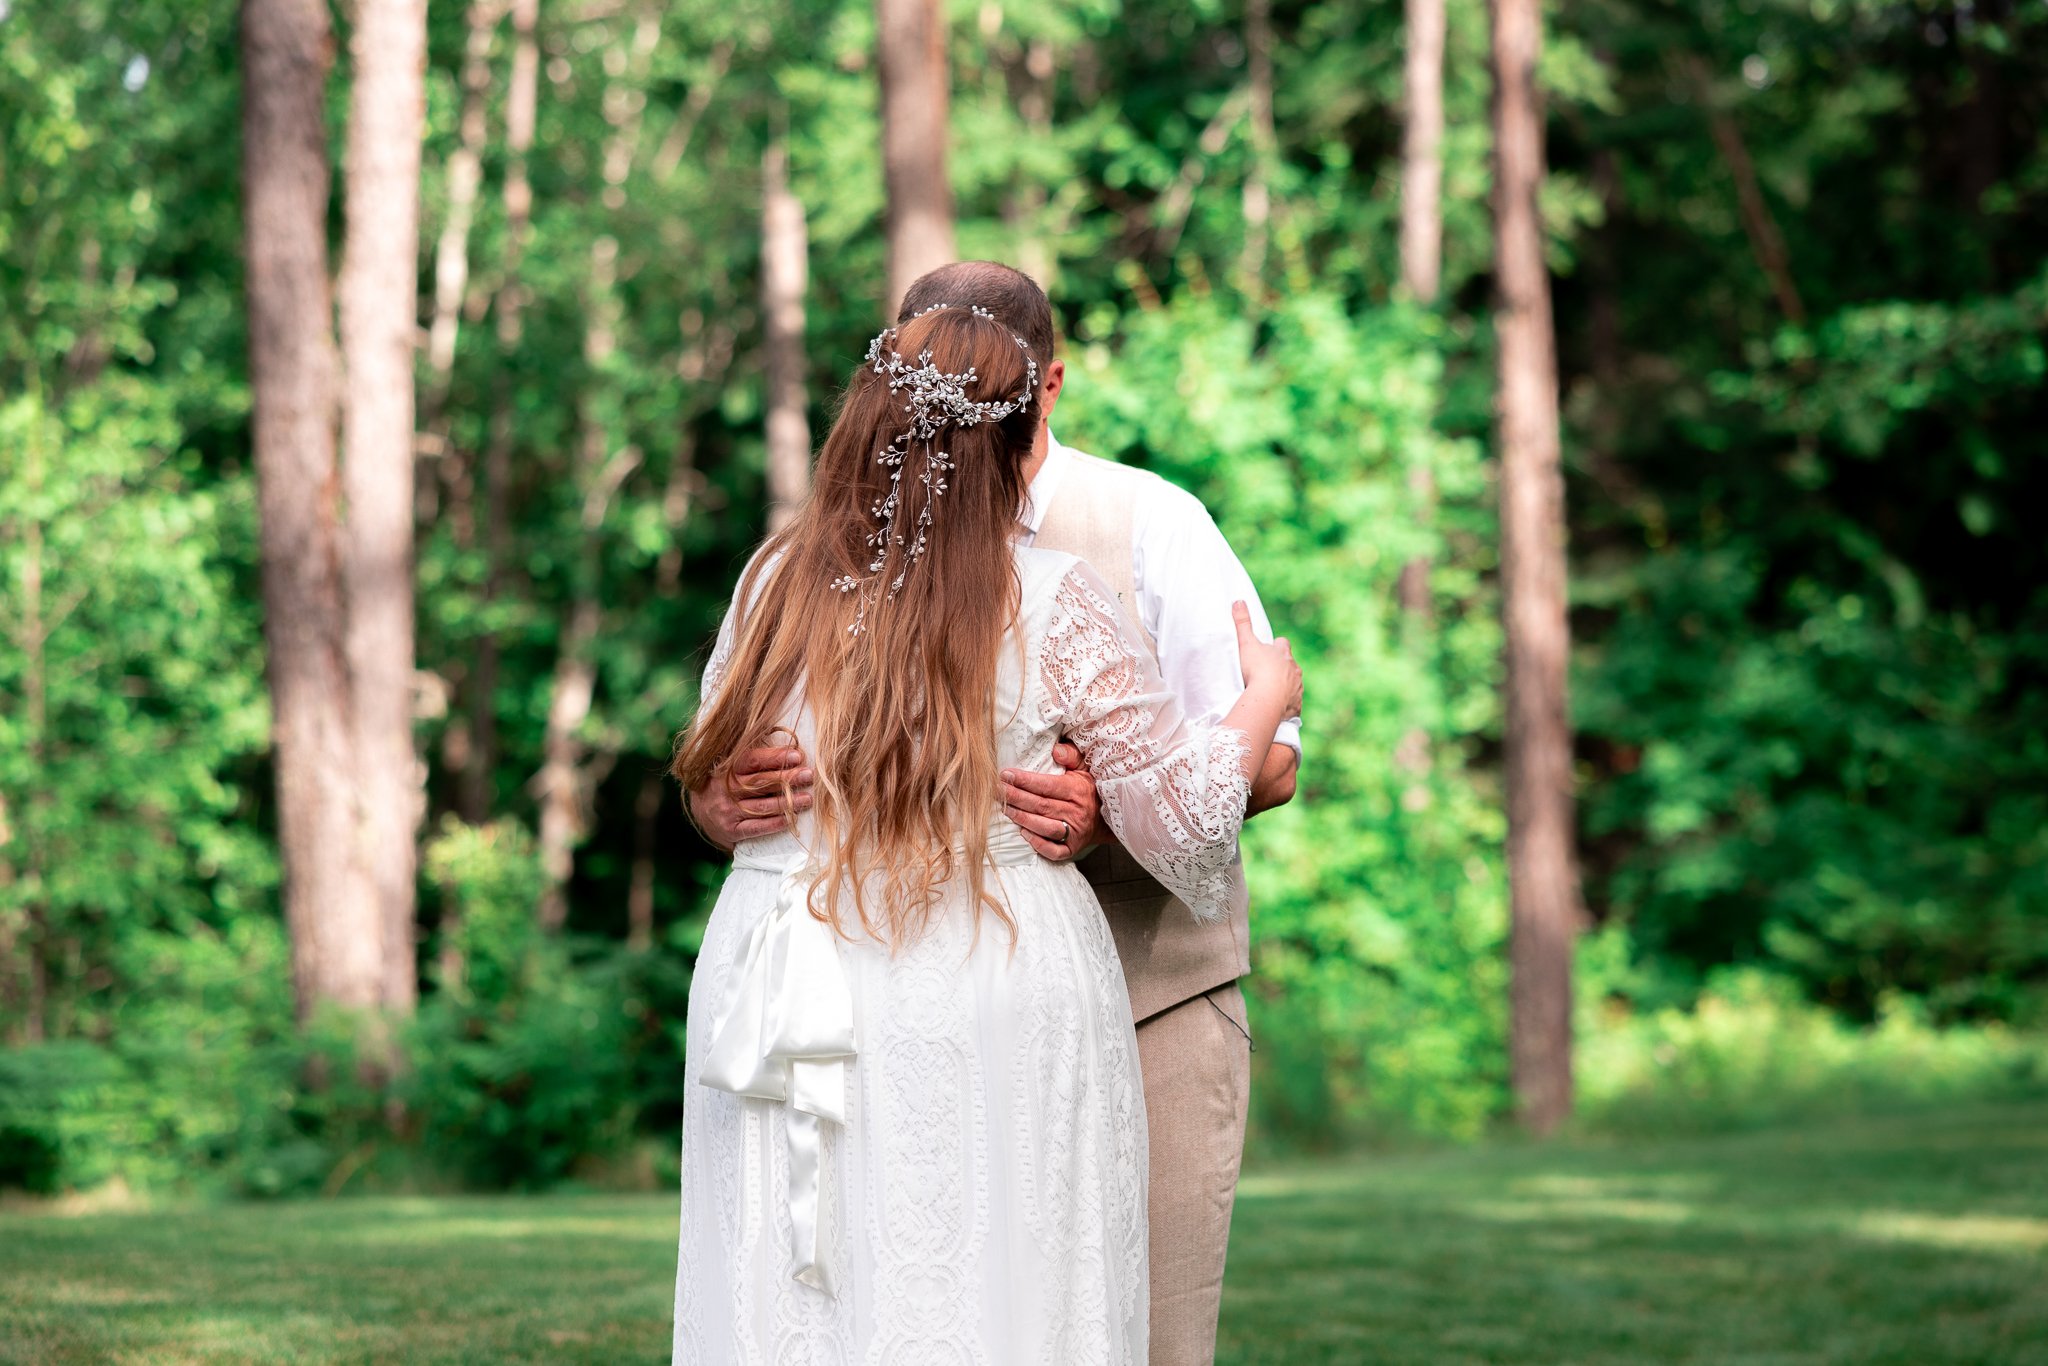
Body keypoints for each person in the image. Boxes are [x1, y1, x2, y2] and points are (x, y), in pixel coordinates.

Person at [689, 262, 1300, 1364]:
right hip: (986, 973)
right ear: (1023, 422)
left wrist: (1099, 809)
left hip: (804, 981)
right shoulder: (1051, 595)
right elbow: (1190, 814)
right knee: (998, 1289)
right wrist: (1268, 694)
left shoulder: (774, 579)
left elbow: (724, 736)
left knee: (831, 1300)